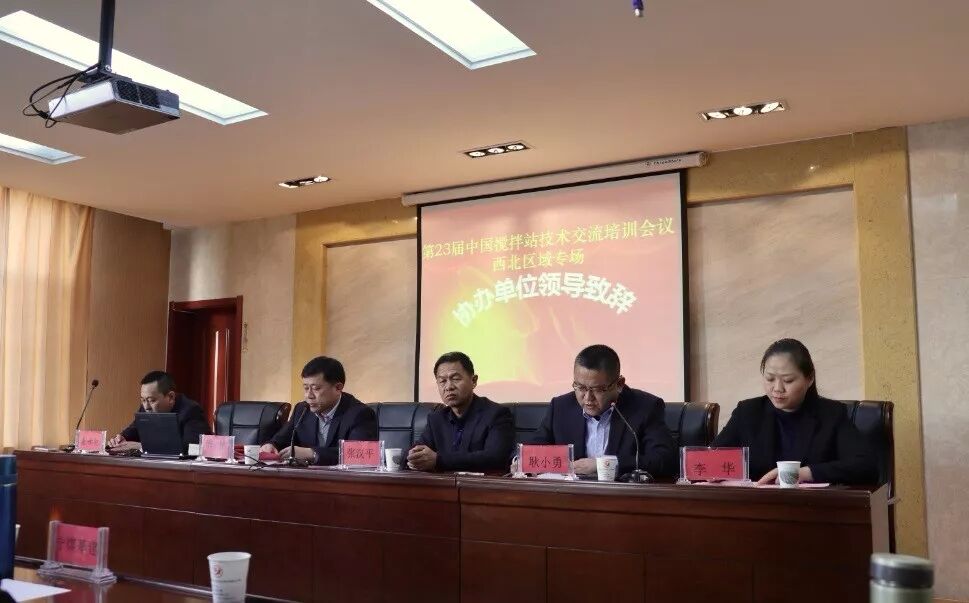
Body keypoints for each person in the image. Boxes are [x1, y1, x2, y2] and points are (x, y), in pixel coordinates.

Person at [712, 338, 878, 485]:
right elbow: (711, 460)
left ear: (809, 378)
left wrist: (804, 473)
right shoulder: (748, 412)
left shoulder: (832, 415)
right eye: (770, 378)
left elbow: (866, 466)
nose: (777, 388)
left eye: (788, 380)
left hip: (812, 507)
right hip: (755, 506)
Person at [527, 344, 676, 479]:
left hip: (622, 495)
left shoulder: (645, 407)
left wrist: (604, 465)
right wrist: (520, 461)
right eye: (580, 387)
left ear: (619, 384)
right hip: (571, 494)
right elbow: (531, 450)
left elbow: (664, 460)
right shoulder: (561, 407)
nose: (587, 398)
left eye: (597, 389)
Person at [407, 352, 514, 473]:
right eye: (442, 381)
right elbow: (415, 450)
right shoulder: (436, 419)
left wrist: (438, 460)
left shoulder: (496, 414)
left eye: (455, 379)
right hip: (441, 484)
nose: (449, 387)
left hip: (478, 484)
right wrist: (413, 457)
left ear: (473, 381)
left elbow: (495, 458)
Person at [261, 356, 376, 465]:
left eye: (316, 388)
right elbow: (281, 440)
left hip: (343, 479)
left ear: (338, 388)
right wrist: (271, 445)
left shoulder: (360, 414)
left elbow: (360, 455)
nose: (308, 395)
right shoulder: (302, 409)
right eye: (306, 388)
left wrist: (312, 453)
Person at [107, 371, 210, 450]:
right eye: (143, 400)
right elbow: (133, 431)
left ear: (170, 397)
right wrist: (120, 439)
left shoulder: (191, 410)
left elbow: (192, 448)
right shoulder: (146, 407)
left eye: (152, 400)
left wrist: (142, 446)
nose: (146, 407)